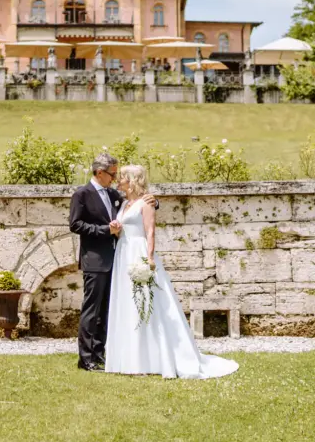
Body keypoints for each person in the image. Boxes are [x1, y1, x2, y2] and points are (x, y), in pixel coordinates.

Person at [105, 165, 239, 379]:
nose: (117, 181)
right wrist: (115, 230)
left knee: (146, 302)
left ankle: (151, 358)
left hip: (138, 252)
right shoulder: (123, 203)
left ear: (131, 181)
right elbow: (123, 227)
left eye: (121, 178)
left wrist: (148, 258)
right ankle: (129, 358)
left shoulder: (145, 203)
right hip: (123, 253)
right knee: (127, 303)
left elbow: (150, 232)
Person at [68, 153, 155, 372]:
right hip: (95, 261)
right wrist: (105, 230)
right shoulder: (82, 194)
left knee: (106, 311)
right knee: (91, 310)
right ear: (99, 173)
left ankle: (100, 354)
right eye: (112, 174)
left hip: (116, 260)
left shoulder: (113, 194)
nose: (115, 179)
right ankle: (85, 358)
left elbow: (135, 204)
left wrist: (154, 201)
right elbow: (76, 225)